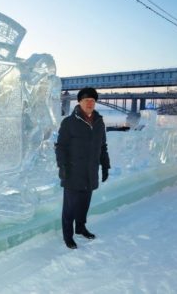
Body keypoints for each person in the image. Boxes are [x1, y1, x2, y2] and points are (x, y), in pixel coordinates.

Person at [55, 87, 110, 249]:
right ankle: (68, 236)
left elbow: (103, 146)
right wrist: (62, 166)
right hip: (73, 172)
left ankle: (80, 228)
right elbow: (61, 147)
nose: (90, 103)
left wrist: (105, 166)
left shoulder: (99, 122)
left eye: (93, 100)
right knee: (70, 207)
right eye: (87, 100)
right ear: (79, 102)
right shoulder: (69, 122)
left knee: (84, 204)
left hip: (90, 171)